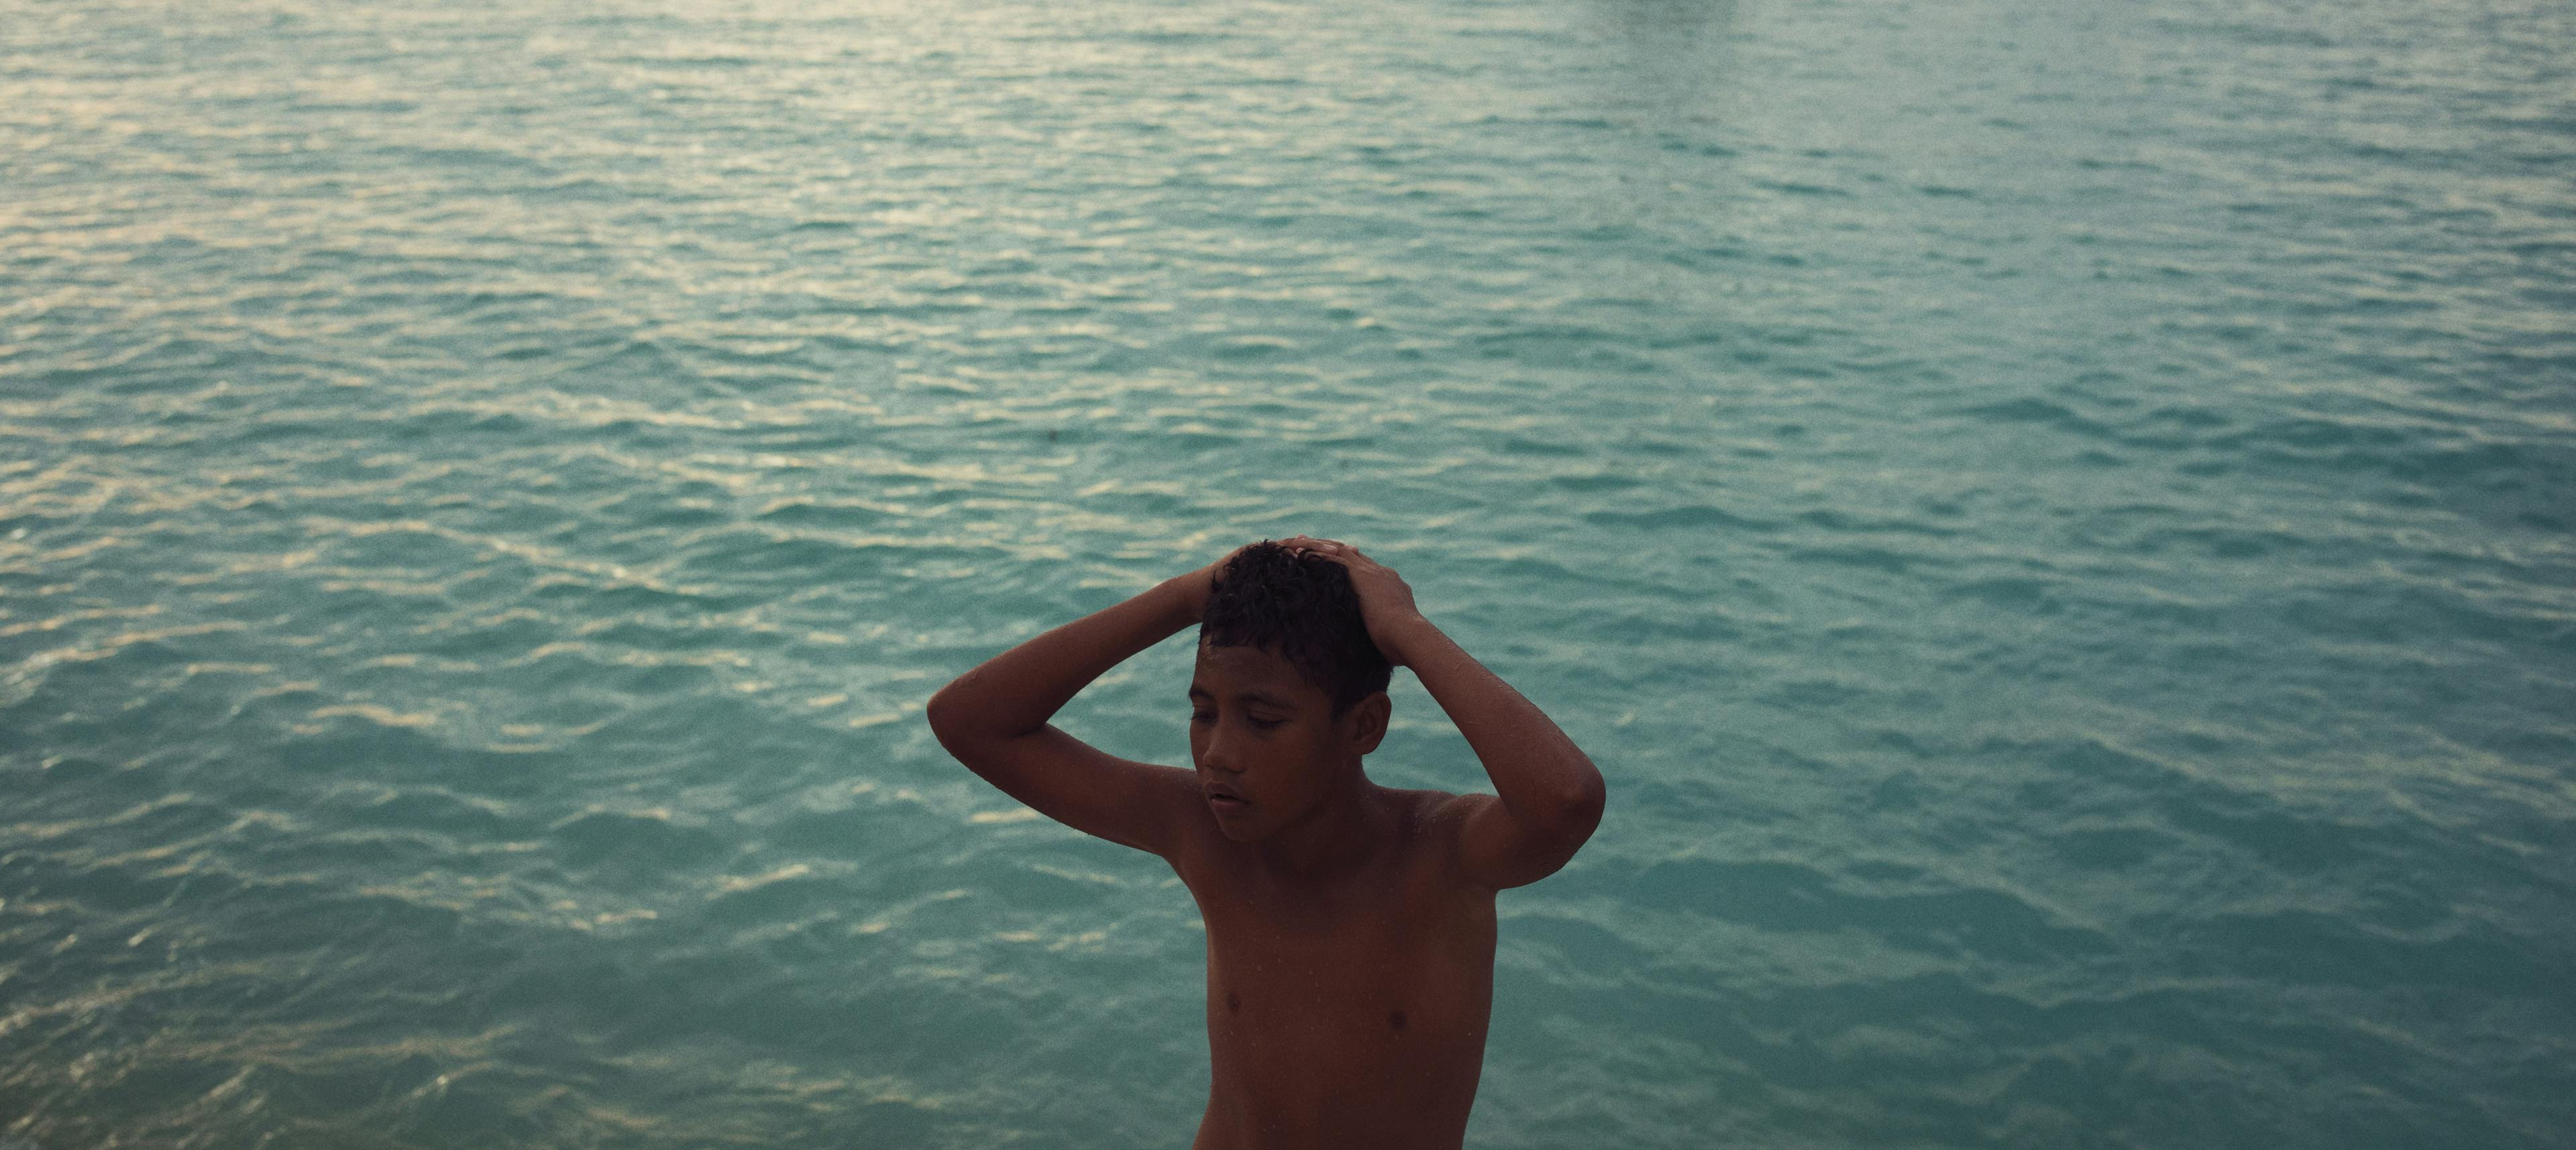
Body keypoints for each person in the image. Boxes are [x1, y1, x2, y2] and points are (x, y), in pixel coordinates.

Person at [925, 535, 1606, 1149]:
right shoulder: (1201, 831)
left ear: (1365, 726)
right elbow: (968, 719)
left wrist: (1403, 628)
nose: (1219, 753)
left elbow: (1565, 801)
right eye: (1202, 711)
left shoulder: (1439, 856)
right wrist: (1191, 594)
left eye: (1264, 720)